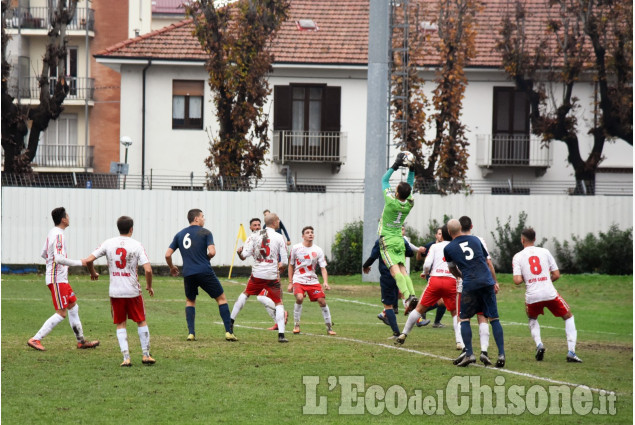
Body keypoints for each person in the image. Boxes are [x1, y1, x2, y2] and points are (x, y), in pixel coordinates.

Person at [84, 216, 155, 367]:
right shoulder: (136, 245)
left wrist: (93, 272)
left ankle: (126, 358)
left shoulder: (109, 243)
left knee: (120, 323)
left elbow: (89, 260)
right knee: (141, 320)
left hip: (115, 291)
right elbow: (148, 269)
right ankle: (146, 355)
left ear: (118, 228)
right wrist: (149, 286)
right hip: (133, 291)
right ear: (131, 229)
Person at [27, 207, 100, 352]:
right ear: (63, 219)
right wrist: (81, 262)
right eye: (67, 215)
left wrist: (51, 266)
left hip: (60, 278)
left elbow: (44, 253)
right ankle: (35, 339)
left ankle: (81, 342)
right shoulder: (59, 235)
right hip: (57, 279)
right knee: (61, 313)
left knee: (73, 306)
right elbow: (58, 258)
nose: (69, 217)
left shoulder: (52, 233)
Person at [165, 209, 236, 342]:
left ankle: (191, 333)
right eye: (203, 217)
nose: (204, 219)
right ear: (196, 218)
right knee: (221, 299)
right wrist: (206, 258)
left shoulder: (179, 234)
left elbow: (167, 254)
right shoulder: (206, 232)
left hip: (188, 273)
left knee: (190, 301)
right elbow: (212, 252)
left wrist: (172, 267)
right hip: (204, 271)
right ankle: (228, 332)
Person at [512, 228, 582, 363]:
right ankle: (571, 352)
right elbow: (556, 275)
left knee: (532, 318)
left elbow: (517, 281)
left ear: (522, 240)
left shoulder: (518, 256)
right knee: (568, 317)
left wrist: (529, 279)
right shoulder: (545, 252)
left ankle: (539, 344)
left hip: (532, 295)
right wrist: (544, 280)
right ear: (535, 239)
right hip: (549, 292)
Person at [444, 219, 505, 368]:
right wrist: (494, 281)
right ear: (460, 228)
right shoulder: (476, 240)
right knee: (493, 318)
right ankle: (501, 354)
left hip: (470, 284)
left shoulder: (449, 248)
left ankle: (469, 353)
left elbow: (452, 269)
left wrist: (461, 275)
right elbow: (487, 262)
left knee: (464, 319)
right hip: (486, 282)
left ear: (449, 232)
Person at [395, 225, 460, 348]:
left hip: (435, 280)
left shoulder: (435, 247)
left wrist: (425, 273)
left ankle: (404, 333)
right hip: (451, 280)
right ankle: (459, 341)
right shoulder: (455, 246)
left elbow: (427, 264)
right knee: (455, 313)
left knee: (419, 309)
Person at [232, 213, 289, 343]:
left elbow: (244, 255)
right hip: (272, 275)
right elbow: (284, 261)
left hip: (257, 274)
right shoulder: (279, 237)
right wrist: (282, 267)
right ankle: (281, 334)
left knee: (245, 294)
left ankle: (231, 321)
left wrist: (239, 253)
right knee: (279, 302)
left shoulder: (254, 236)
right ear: (274, 222)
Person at [363, 237, 428, 340]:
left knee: (388, 305)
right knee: (403, 295)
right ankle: (412, 310)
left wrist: (365, 266)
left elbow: (373, 256)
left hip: (387, 274)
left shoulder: (381, 241)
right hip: (401, 274)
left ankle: (396, 332)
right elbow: (410, 253)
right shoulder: (401, 239)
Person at [378, 152, 418, 315]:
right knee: (402, 269)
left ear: (396, 193)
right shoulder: (410, 202)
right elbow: (409, 184)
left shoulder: (391, 201)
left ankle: (408, 298)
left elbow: (384, 180)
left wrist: (395, 165)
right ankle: (412, 295)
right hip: (399, 240)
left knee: (394, 271)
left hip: (387, 239)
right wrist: (412, 169)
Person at [288, 226, 335, 335]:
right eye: (307, 232)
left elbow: (323, 268)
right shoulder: (295, 248)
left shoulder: (318, 250)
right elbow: (291, 266)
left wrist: (325, 282)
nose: (310, 234)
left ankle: (329, 328)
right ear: (303, 236)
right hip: (298, 279)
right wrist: (290, 282)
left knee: (322, 301)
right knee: (299, 298)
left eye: (312, 232)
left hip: (312, 280)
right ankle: (296, 325)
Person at [417, 227, 448, 328]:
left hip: (443, 275)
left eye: (442, 234)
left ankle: (434, 320)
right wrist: (418, 252)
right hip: (432, 275)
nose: (440, 235)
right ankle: (421, 311)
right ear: (436, 235)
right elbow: (420, 258)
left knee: (442, 300)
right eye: (439, 234)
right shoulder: (431, 245)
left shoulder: (447, 245)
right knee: (442, 300)